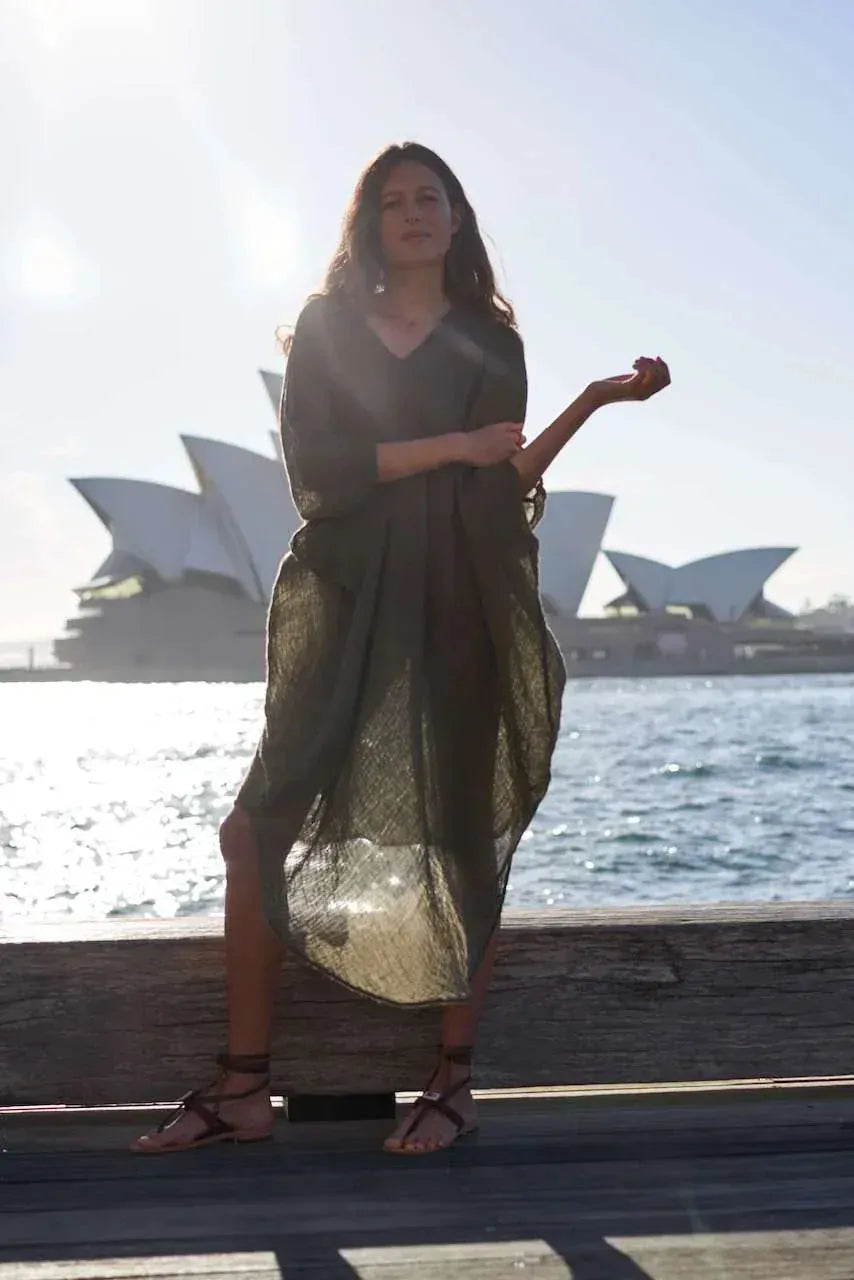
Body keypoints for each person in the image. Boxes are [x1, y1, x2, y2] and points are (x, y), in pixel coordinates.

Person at [131, 141, 669, 1156]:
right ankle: (243, 1084)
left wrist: (590, 403)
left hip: (458, 590)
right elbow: (317, 473)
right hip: (341, 592)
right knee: (254, 831)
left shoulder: (484, 341)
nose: (413, 212)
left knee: (464, 831)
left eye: (431, 198)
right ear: (369, 222)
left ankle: (451, 1079)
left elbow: (496, 482)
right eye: (393, 200)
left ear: (455, 219)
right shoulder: (328, 329)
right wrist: (449, 448)